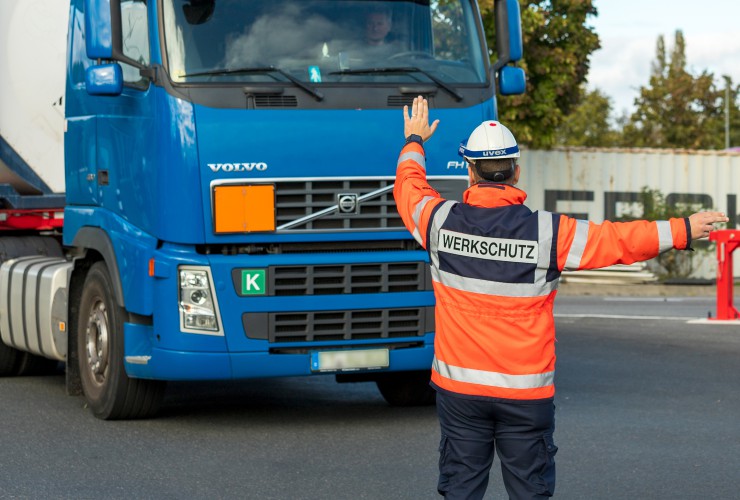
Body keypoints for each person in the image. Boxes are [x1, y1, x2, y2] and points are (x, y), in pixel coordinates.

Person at [393, 96, 729, 500]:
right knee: (529, 492)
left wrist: (414, 139)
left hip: (460, 391)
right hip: (526, 396)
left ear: (470, 172)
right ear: (515, 172)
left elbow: (409, 187)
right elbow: (618, 240)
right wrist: (681, 228)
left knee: (461, 490)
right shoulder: (550, 234)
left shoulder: (438, 222)